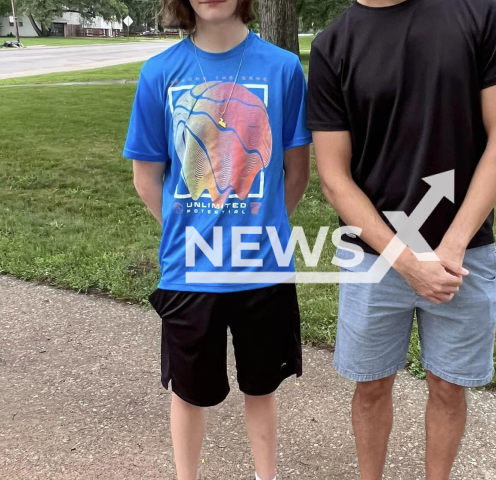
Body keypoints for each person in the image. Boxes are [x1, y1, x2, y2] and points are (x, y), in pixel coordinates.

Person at [307, 0, 496, 478]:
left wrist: (452, 246)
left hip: (463, 254)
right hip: (374, 259)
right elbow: (334, 177)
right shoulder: (332, 46)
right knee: (370, 385)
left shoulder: (478, 14)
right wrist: (406, 260)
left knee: (448, 387)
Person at [123, 0, 312, 479]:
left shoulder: (284, 68)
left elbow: (296, 172)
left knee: (261, 387)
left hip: (261, 267)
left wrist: (260, 225)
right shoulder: (160, 72)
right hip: (191, 270)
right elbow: (146, 176)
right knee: (188, 391)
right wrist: (185, 231)